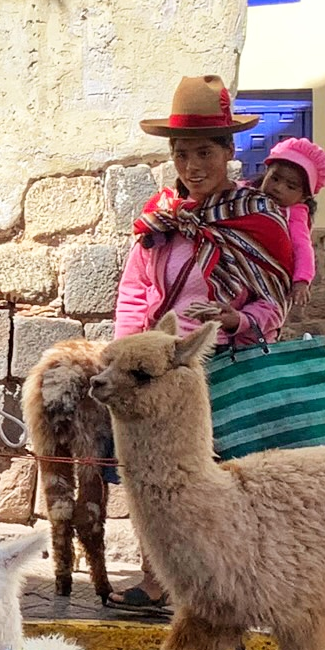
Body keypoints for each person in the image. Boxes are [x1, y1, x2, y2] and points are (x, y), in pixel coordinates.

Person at [109, 75, 296, 615]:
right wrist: (128, 353)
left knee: (224, 480)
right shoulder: (161, 219)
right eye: (182, 154)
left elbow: (274, 301)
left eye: (204, 153)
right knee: (155, 478)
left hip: (225, 366)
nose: (192, 166)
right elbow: (136, 290)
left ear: (228, 151)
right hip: (157, 375)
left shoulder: (257, 218)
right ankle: (160, 578)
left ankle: (234, 579)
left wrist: (239, 319)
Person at [257, 137, 325, 317]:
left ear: (304, 196)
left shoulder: (295, 215)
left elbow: (302, 247)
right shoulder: (248, 196)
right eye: (274, 178)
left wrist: (302, 281)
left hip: (269, 279)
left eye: (290, 186)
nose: (278, 188)